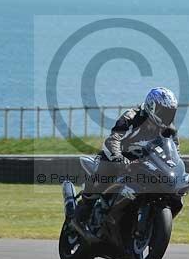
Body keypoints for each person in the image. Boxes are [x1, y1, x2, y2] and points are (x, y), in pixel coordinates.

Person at [76, 87, 180, 221]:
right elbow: (114, 139)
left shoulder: (169, 129)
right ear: (151, 106)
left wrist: (175, 168)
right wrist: (119, 158)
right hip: (118, 157)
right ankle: (83, 211)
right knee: (102, 178)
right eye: (164, 111)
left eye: (170, 112)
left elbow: (174, 151)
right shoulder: (131, 117)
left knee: (170, 191)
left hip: (144, 163)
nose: (167, 116)